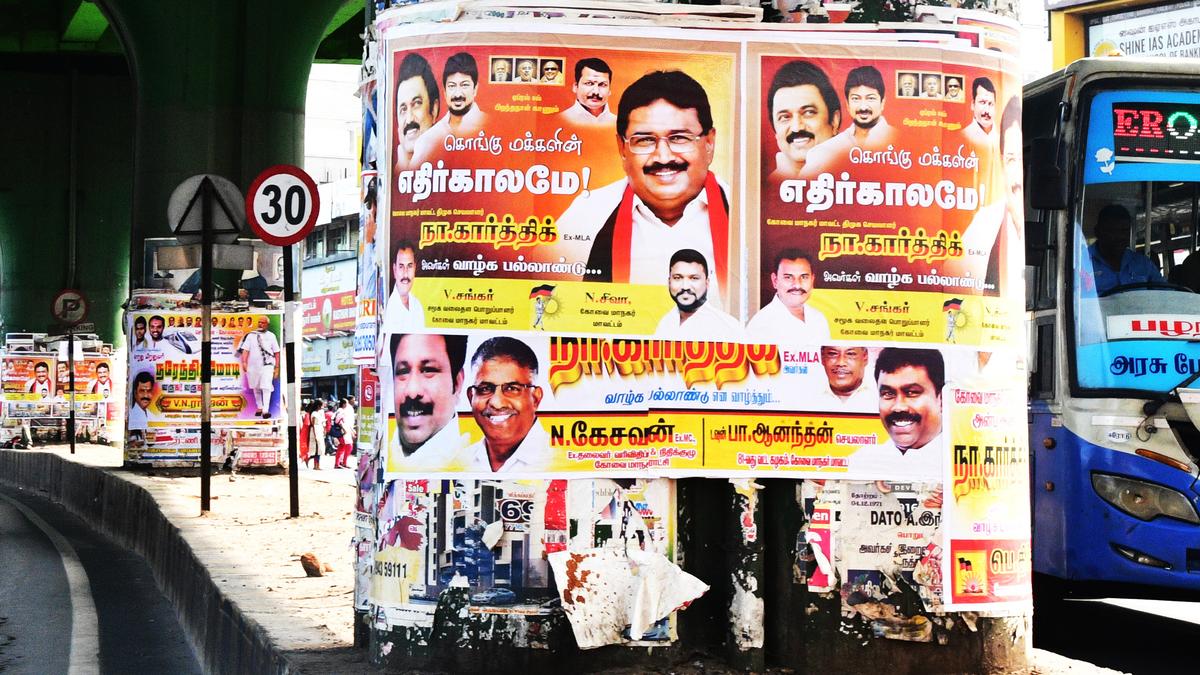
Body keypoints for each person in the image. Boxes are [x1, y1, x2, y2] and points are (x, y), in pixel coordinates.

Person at [558, 70, 730, 307]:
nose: (663, 156)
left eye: (680, 138)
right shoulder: (584, 216)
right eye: (645, 140)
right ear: (622, 148)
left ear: (709, 143)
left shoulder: (747, 218)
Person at [955, 95, 1025, 294]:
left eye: (1020, 162)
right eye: (1011, 160)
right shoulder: (983, 226)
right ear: (1001, 162)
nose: (1018, 180)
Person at [854, 348, 944, 478]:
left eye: (912, 393)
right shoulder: (860, 463)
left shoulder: (959, 460)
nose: (898, 407)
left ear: (941, 398)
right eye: (888, 394)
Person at [465, 337, 550, 472]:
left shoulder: (560, 461)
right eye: (485, 389)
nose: (497, 403)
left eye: (512, 388)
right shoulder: (457, 462)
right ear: (471, 397)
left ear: (535, 398)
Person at [391, 333, 469, 469]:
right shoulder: (387, 453)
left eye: (428, 370)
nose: (412, 391)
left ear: (457, 383)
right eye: (403, 372)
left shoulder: (471, 461)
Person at [802, 65, 894, 173]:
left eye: (870, 98)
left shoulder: (900, 142)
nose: (863, 107)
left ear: (882, 102)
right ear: (847, 104)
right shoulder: (825, 151)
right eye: (856, 98)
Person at [766, 60, 841, 180]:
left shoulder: (864, 181)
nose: (797, 127)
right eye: (785, 117)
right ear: (775, 131)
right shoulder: (764, 190)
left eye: (808, 113)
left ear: (834, 121)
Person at [411, 52, 486, 165]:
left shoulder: (492, 127)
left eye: (464, 85)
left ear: (475, 89)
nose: (457, 94)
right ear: (445, 91)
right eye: (452, 86)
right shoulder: (428, 140)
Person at [746, 248, 830, 343]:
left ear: (812, 280)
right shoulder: (761, 325)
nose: (797, 285)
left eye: (804, 277)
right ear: (775, 280)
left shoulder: (819, 319)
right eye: (788, 277)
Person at [655, 248, 742, 339]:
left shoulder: (728, 328)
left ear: (707, 282)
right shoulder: (665, 323)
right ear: (669, 282)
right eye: (677, 278)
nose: (685, 286)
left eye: (694, 278)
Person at [1086, 204, 1164, 295]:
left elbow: (1165, 296)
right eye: (1113, 231)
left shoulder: (1143, 264)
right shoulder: (1081, 263)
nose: (1120, 237)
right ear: (1098, 232)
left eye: (1124, 231)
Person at [394, 53, 441, 171]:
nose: (409, 119)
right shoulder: (395, 174)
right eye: (403, 109)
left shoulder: (452, 161)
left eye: (416, 104)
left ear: (434, 110)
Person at [236, 316, 281, 418]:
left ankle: (265, 410)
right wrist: (244, 362)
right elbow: (245, 350)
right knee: (256, 387)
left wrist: (277, 368)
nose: (260, 324)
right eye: (259, 322)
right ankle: (259, 407)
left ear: (267, 325)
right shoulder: (251, 336)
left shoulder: (271, 336)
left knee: (266, 386)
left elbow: (277, 352)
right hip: (253, 366)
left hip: (267, 365)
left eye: (263, 323)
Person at [559, 57, 615, 126]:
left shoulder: (619, 124)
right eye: (589, 83)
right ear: (576, 87)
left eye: (602, 84)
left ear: (609, 90)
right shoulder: (561, 120)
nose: (596, 92)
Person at [382, 240, 425, 332]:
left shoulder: (417, 305)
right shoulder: (387, 307)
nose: (405, 273)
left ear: (414, 268)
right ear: (394, 270)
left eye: (409, 266)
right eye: (401, 266)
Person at [819, 346, 874, 411]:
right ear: (822, 358)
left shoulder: (877, 397)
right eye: (833, 354)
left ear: (865, 357)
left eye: (850, 354)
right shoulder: (809, 396)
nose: (841, 363)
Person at [962, 77, 996, 148]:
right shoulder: (963, 136)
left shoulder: (1001, 139)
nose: (987, 110)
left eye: (990, 104)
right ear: (973, 104)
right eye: (982, 102)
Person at [334, 397, 357, 469]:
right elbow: (338, 421)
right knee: (349, 446)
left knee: (342, 446)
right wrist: (345, 429)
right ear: (344, 404)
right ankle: (343, 462)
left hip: (345, 429)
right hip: (344, 431)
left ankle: (338, 463)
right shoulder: (342, 411)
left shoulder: (341, 410)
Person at [308, 400, 326, 469]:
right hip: (316, 432)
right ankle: (316, 465)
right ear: (318, 406)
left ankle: (316, 465)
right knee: (317, 450)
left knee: (319, 450)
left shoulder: (318, 413)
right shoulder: (314, 413)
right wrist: (316, 435)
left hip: (319, 431)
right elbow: (314, 424)